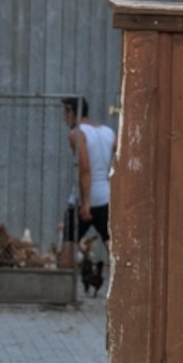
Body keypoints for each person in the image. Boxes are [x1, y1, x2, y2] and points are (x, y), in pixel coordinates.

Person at [65, 95, 116, 259]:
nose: (64, 119)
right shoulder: (108, 132)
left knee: (68, 246)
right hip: (105, 197)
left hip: (83, 199)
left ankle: (63, 283)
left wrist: (85, 203)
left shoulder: (77, 134)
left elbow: (85, 169)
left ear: (71, 112)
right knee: (111, 244)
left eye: (64, 114)